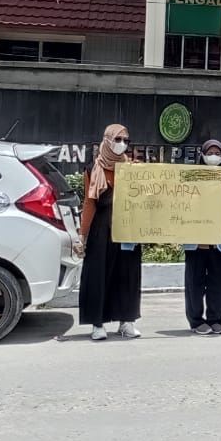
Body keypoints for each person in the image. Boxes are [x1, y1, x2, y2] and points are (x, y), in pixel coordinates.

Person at [78, 124, 142, 340]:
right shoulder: (93, 169)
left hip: (129, 228)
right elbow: (89, 203)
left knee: (127, 275)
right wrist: (82, 236)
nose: (122, 144)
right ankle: (98, 323)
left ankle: (126, 322)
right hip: (101, 230)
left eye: (125, 140)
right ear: (107, 140)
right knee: (98, 275)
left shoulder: (133, 168)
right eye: (118, 139)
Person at [181, 139, 221, 335]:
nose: (213, 156)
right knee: (194, 283)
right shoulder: (191, 176)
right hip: (196, 238)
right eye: (210, 152)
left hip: (220, 239)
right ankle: (197, 321)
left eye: (217, 152)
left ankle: (216, 319)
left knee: (218, 283)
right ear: (203, 154)